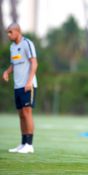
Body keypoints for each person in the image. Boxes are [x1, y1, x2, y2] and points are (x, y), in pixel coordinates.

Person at [2, 23, 38, 154]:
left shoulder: (27, 43)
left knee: (27, 112)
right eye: (8, 32)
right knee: (21, 115)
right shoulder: (12, 47)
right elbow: (14, 64)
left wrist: (29, 82)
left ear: (18, 31)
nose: (9, 35)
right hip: (17, 86)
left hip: (28, 85)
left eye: (10, 32)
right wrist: (7, 72)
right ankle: (23, 143)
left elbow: (34, 63)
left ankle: (30, 144)